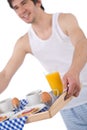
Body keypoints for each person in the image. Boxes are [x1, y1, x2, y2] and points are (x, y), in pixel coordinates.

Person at [0, 0, 87, 129]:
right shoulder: (24, 42)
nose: (21, 11)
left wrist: (74, 72)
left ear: (38, 2)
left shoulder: (64, 20)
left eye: (24, 3)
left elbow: (82, 42)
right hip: (66, 107)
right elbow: (6, 75)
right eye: (16, 8)